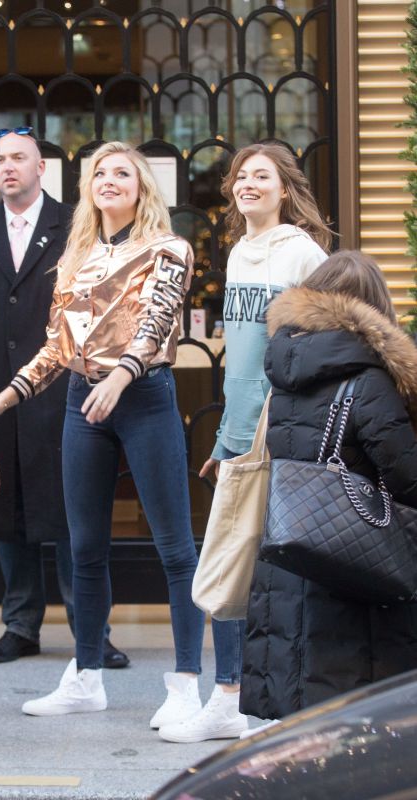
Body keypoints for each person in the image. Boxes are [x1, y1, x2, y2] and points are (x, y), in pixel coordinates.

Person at [0, 140, 206, 724]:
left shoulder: (168, 248)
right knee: (84, 548)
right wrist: (4, 398)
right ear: (88, 188)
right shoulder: (76, 254)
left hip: (143, 396)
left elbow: (157, 320)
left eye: (122, 172)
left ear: (141, 187)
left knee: (175, 549)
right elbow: (57, 346)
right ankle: (87, 674)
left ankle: (185, 684)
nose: (109, 180)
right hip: (83, 400)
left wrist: (123, 376)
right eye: (99, 172)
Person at [159, 142, 330, 743]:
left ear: (286, 189)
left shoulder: (303, 252)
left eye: (262, 176)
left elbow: (310, 344)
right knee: (235, 562)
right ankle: (232, 694)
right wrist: (227, 439)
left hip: (280, 428)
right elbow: (240, 362)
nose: (247, 185)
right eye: (241, 177)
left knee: (255, 563)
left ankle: (237, 696)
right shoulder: (237, 253)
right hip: (242, 430)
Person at [0, 128, 128, 669]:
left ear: (41, 167)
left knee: (73, 512)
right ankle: (20, 626)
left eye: (18, 158)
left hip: (63, 390)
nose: (7, 168)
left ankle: (91, 630)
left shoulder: (78, 227)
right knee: (7, 509)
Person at [240, 250, 417, 721]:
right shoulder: (370, 381)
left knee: (299, 723)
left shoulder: (284, 374)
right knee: (352, 726)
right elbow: (408, 477)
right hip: (351, 570)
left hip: (289, 557)